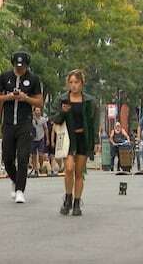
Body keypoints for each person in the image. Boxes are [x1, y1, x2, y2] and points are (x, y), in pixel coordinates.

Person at [0, 51, 43, 204]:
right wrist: (8, 97)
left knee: (22, 157)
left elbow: (39, 102)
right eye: (17, 66)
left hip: (25, 123)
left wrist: (25, 98)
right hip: (7, 123)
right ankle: (15, 180)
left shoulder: (33, 79)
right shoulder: (4, 77)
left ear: (27, 65)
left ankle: (20, 190)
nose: (20, 69)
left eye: (23, 66)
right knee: (7, 159)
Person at [54, 69, 97, 216]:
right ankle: (68, 198)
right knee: (69, 169)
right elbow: (55, 119)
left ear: (82, 84)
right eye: (71, 82)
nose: (73, 85)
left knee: (79, 173)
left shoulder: (90, 101)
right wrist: (63, 112)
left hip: (83, 138)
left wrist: (95, 141)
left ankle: (77, 202)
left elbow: (93, 123)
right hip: (68, 138)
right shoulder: (62, 99)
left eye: (76, 82)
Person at [30, 107, 49, 176]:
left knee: (41, 154)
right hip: (33, 139)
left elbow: (46, 129)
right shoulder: (31, 120)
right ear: (34, 112)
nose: (38, 112)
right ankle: (35, 169)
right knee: (33, 155)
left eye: (39, 110)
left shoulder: (43, 119)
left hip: (41, 139)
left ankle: (41, 166)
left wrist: (47, 139)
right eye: (37, 110)